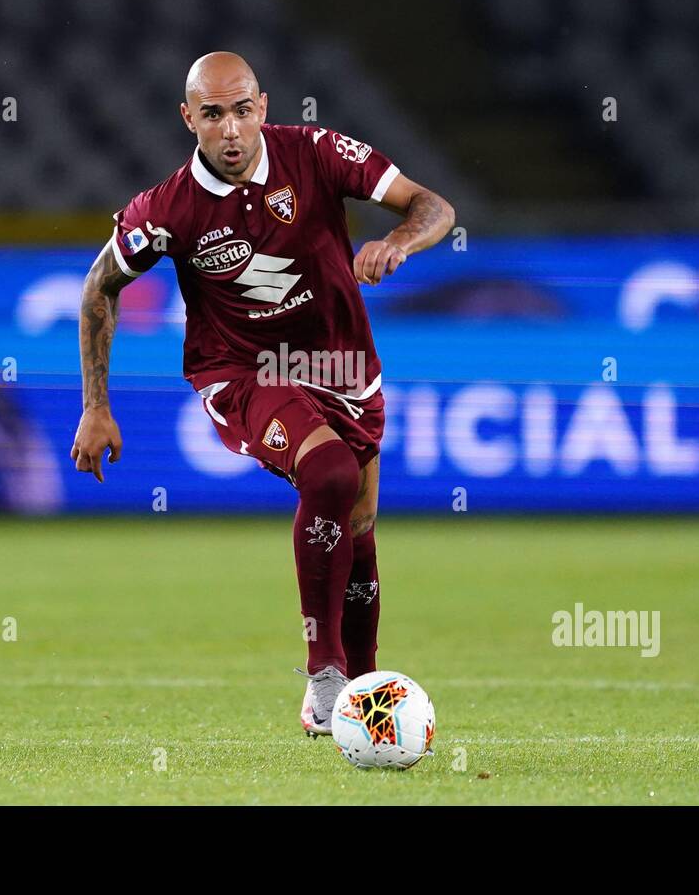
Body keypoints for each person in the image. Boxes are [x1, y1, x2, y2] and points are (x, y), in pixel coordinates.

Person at [71, 51, 455, 736]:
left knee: (359, 523)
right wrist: (96, 405)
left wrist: (400, 240)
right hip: (243, 370)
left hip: (342, 367)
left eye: (242, 110)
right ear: (188, 119)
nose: (230, 130)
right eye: (212, 114)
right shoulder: (165, 210)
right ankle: (323, 675)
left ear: (264, 108)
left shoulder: (317, 152)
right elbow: (100, 286)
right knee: (330, 472)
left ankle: (362, 695)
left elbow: (433, 206)